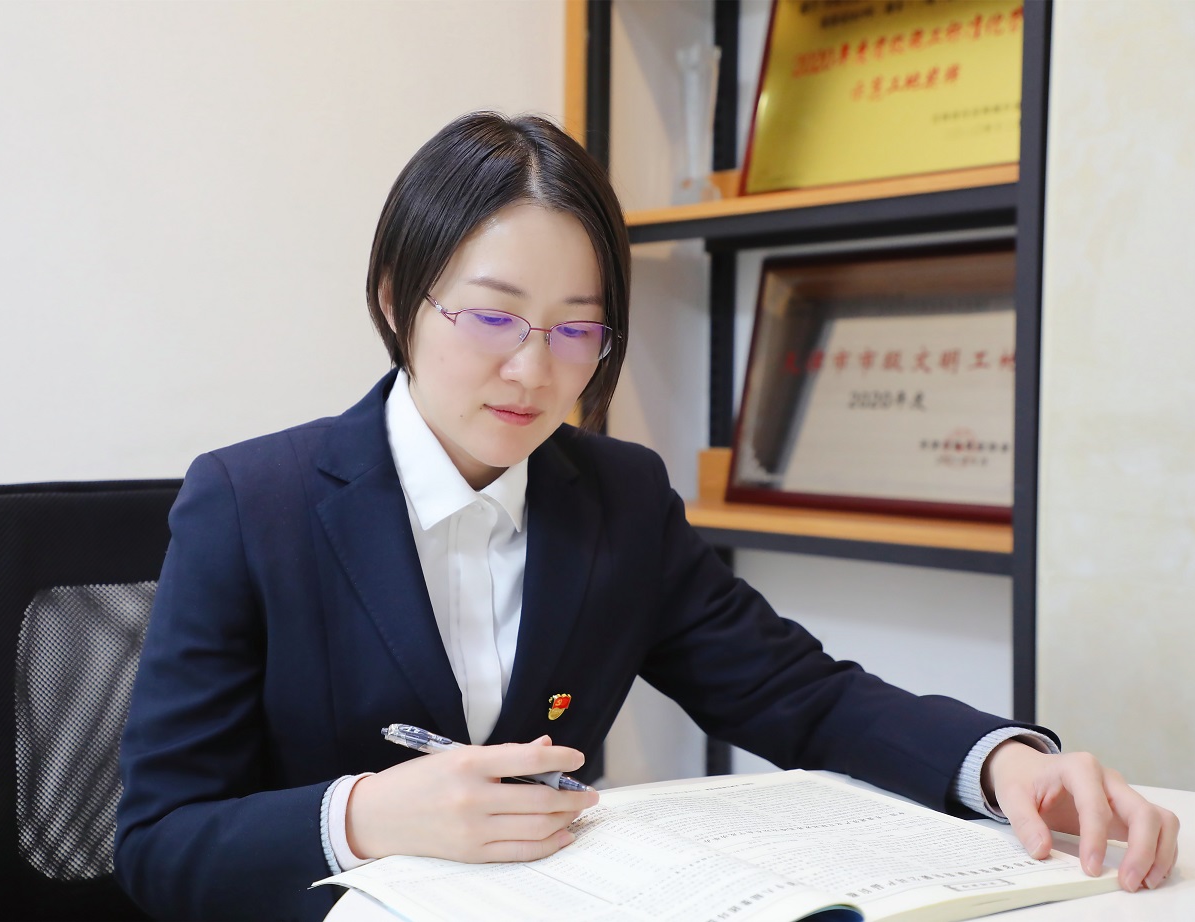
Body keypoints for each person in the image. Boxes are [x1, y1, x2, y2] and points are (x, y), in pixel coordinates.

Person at [114, 112, 1178, 922]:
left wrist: (1001, 765)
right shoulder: (250, 503)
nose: (533, 371)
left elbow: (800, 696)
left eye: (577, 331)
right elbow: (157, 844)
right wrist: (362, 816)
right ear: (398, 299)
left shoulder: (617, 497)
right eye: (491, 317)